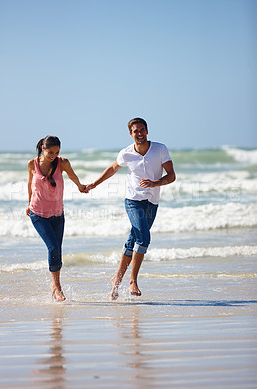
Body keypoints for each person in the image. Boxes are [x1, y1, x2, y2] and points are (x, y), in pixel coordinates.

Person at [87, 117, 176, 300]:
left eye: (142, 130)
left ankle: (116, 279)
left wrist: (155, 183)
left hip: (152, 202)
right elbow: (112, 168)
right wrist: (95, 183)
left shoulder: (160, 149)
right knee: (143, 237)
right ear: (130, 134)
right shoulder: (126, 153)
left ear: (147, 131)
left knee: (133, 239)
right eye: (136, 131)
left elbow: (172, 175)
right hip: (133, 201)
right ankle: (132, 281)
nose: (140, 133)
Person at [26, 135, 88, 302]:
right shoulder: (32, 164)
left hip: (57, 214)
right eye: (50, 152)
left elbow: (73, 176)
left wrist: (80, 186)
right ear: (43, 149)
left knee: (57, 251)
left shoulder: (63, 163)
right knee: (53, 248)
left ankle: (54, 285)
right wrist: (28, 203)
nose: (54, 155)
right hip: (38, 213)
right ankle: (58, 288)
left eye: (57, 152)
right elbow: (30, 183)